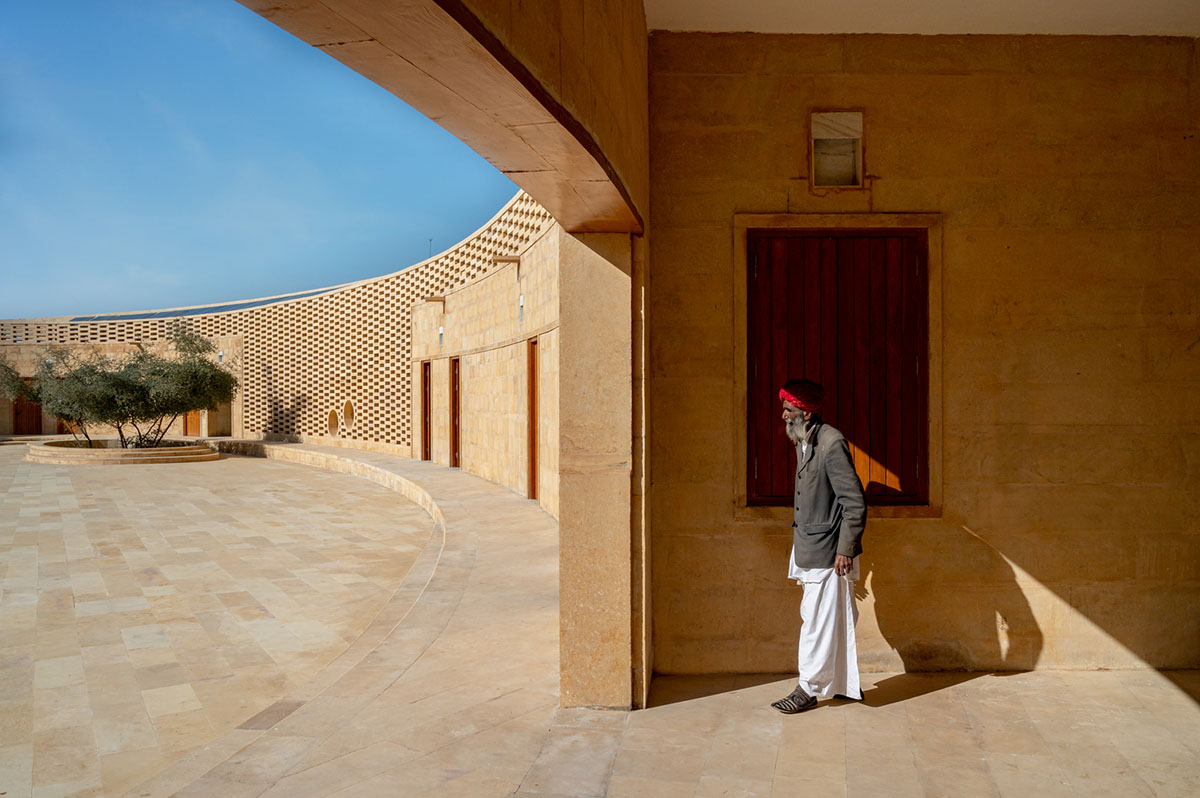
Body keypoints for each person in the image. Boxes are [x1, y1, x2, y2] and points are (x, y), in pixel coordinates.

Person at [771, 378, 867, 714]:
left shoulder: (831, 443)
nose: (783, 415)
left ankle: (807, 689)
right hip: (811, 545)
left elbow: (853, 503)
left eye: (789, 409)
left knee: (815, 621)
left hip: (829, 552)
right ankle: (843, 684)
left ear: (806, 412)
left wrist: (845, 549)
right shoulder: (804, 441)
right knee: (831, 617)